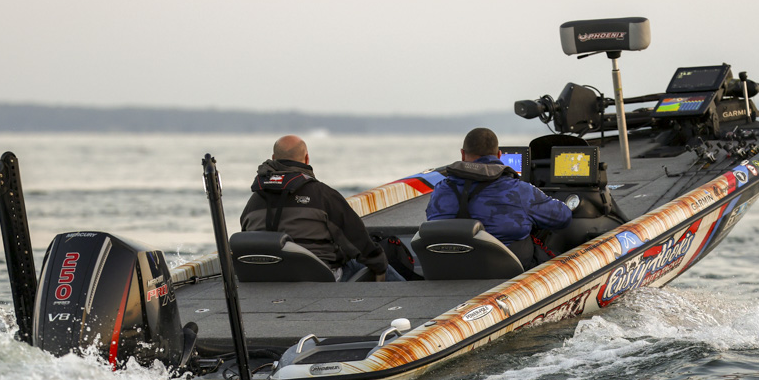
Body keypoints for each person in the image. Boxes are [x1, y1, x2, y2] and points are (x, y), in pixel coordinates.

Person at [240, 135, 404, 282]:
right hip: (318, 276)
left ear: (273, 158)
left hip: (268, 277)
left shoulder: (254, 201)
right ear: (307, 158)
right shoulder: (323, 195)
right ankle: (406, 297)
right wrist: (379, 264)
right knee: (378, 265)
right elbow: (357, 239)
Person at [426, 127, 572, 267]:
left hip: (450, 269)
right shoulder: (519, 190)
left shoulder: (440, 190)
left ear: (463, 154)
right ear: (499, 155)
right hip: (507, 273)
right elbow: (563, 217)